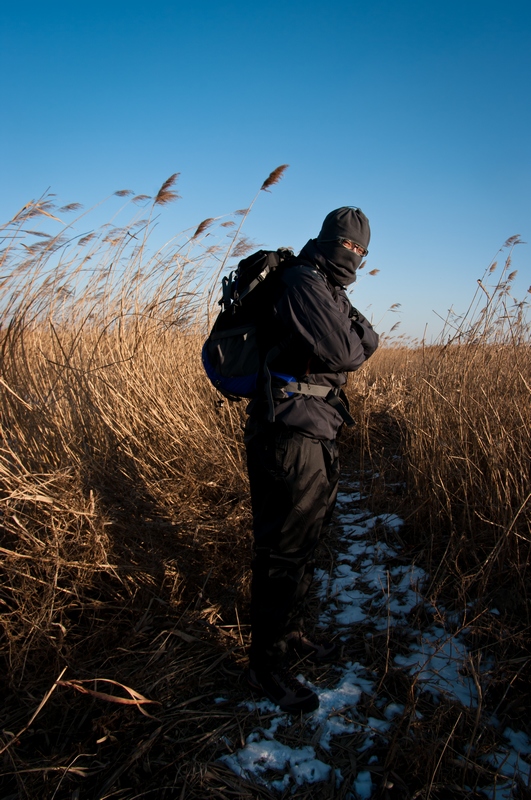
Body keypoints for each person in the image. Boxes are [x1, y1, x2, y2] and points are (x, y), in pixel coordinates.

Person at [244, 206, 379, 714]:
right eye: (348, 247)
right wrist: (353, 338)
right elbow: (349, 350)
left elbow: (367, 339)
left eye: (362, 252)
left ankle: (289, 634)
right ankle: (264, 666)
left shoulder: (328, 286)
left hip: (316, 429)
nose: (354, 258)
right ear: (327, 240)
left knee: (304, 543)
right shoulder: (303, 281)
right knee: (281, 550)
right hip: (287, 433)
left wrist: (353, 336)